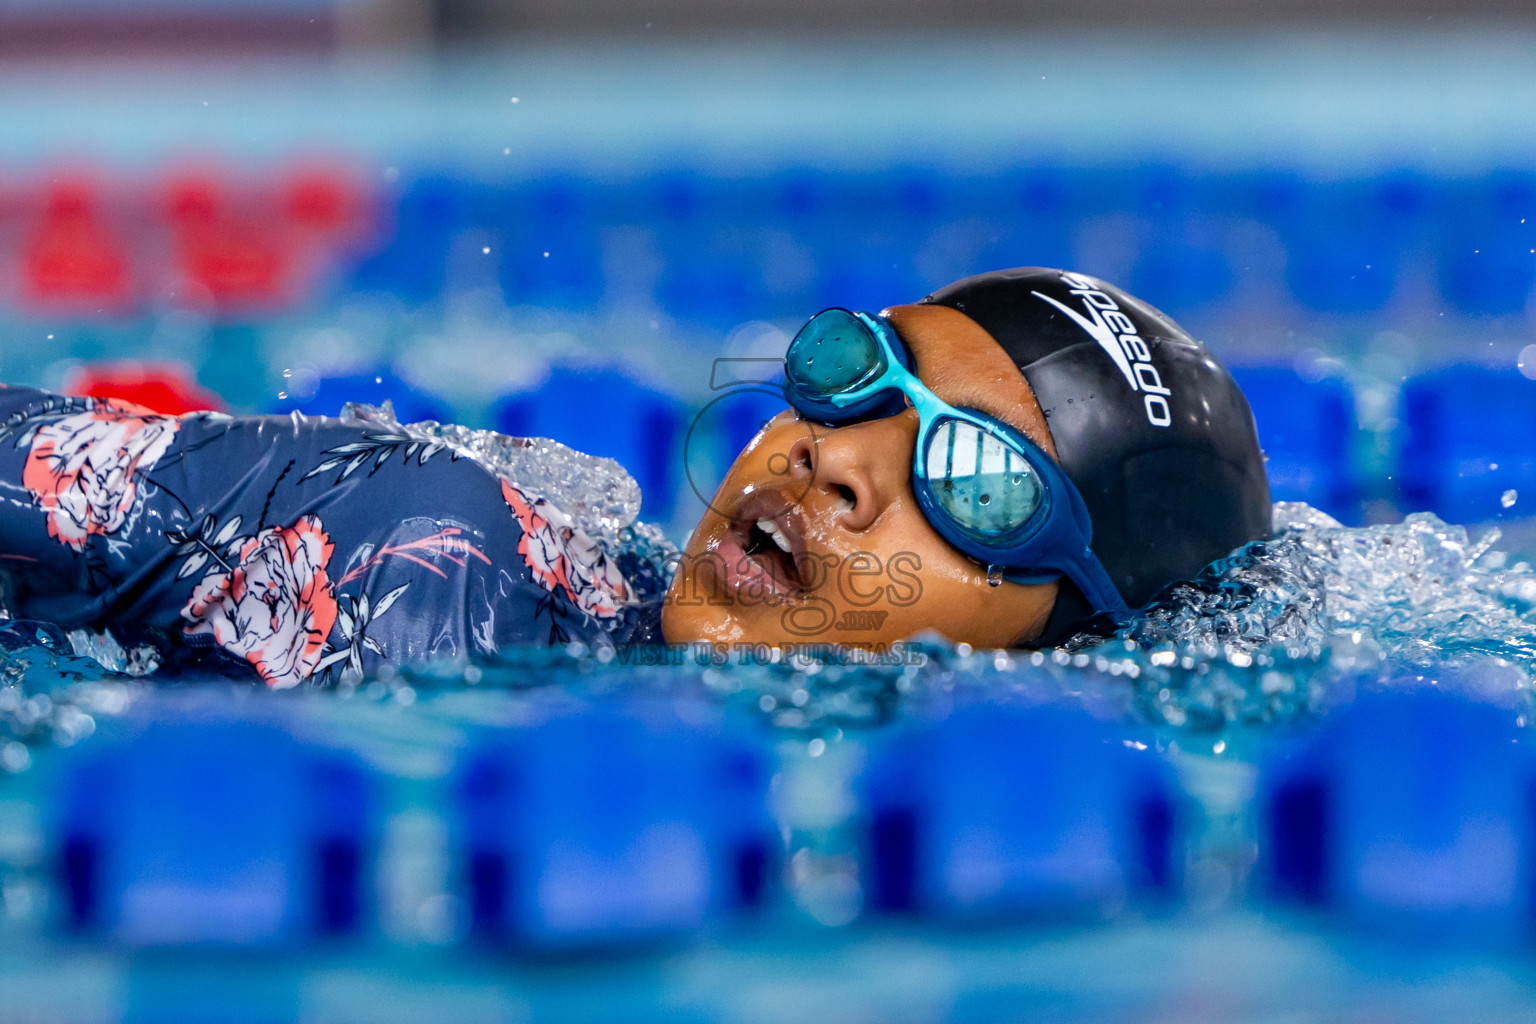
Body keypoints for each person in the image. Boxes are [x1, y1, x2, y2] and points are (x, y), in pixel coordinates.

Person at [0, 267, 1269, 687]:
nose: (830, 461)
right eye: (858, 379)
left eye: (978, 486)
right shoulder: (425, 547)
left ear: (1085, 641)